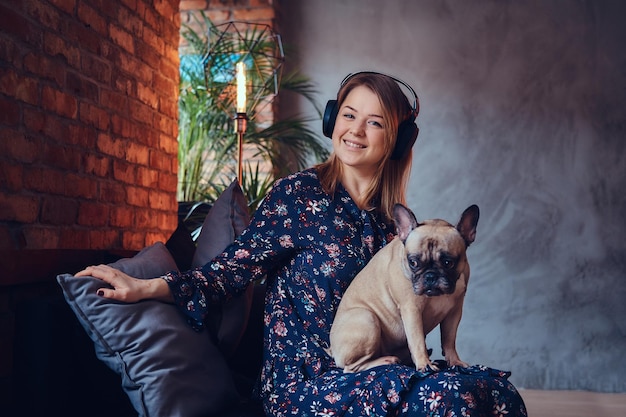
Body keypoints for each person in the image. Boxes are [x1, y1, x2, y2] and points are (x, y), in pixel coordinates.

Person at [78, 72, 528, 416]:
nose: (356, 130)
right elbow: (231, 270)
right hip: (305, 384)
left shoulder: (397, 227)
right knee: (456, 399)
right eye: (348, 115)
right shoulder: (299, 195)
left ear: (397, 140)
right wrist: (147, 287)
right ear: (333, 120)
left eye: (375, 122)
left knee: (499, 393)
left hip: (378, 367)